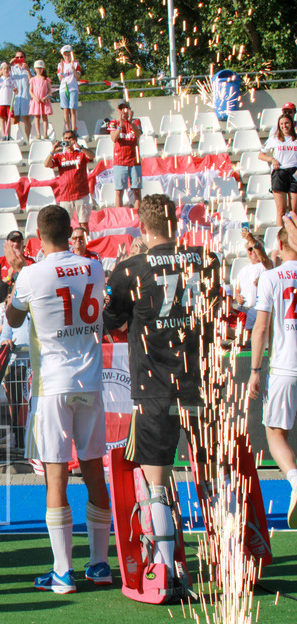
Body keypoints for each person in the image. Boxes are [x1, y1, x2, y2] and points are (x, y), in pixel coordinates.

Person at [103, 194, 220, 594]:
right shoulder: (205, 260)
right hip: (200, 383)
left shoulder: (130, 269)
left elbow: (112, 321)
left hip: (154, 387)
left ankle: (167, 571)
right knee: (212, 478)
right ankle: (229, 558)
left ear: (142, 225)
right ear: (176, 222)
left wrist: (130, 262)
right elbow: (216, 312)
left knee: (156, 486)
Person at [5, 205, 111, 593]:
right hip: (90, 380)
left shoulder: (32, 274)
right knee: (94, 470)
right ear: (70, 232)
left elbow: (13, 319)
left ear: (38, 235)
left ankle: (63, 571)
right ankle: (100, 563)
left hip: (52, 384)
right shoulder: (93, 267)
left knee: (56, 475)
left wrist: (19, 273)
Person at [248, 214, 297, 528]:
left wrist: (255, 370)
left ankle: (295, 480)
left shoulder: (272, 278)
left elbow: (261, 328)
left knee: (275, 433)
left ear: (280, 242)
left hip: (284, 366)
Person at [46, 129, 94, 230]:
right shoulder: (60, 156)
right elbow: (46, 164)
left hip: (81, 195)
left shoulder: (81, 154)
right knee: (64, 225)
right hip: (65, 196)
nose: (68, 140)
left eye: (70, 138)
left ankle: (86, 240)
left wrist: (80, 147)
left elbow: (92, 156)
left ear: (75, 139)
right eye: (66, 138)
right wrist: (53, 150)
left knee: (84, 224)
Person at [257, 113, 297, 230]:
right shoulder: (274, 139)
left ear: (291, 124)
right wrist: (272, 159)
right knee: (281, 210)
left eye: (287, 123)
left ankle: (293, 235)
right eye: (282, 124)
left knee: (294, 211)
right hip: (279, 172)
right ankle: (280, 235)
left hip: (294, 172)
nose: (284, 126)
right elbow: (261, 155)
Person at [109, 102, 143, 211]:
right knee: (119, 191)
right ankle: (119, 215)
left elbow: (138, 135)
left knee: (137, 190)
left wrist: (130, 121)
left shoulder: (136, 122)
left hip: (134, 161)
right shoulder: (114, 123)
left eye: (126, 108)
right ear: (118, 110)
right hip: (119, 161)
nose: (124, 111)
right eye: (121, 109)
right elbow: (114, 138)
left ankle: (137, 214)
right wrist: (120, 125)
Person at [57, 46, 82, 133]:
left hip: (73, 88)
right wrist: (62, 68)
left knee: (72, 109)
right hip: (63, 88)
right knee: (65, 109)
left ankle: (74, 129)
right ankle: (68, 129)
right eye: (65, 54)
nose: (67, 56)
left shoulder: (76, 63)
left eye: (68, 54)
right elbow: (60, 78)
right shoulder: (60, 64)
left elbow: (77, 76)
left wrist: (72, 67)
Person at [10, 51, 32, 141]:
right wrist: (10, 64)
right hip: (15, 98)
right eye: (17, 57)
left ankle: (29, 139)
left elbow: (32, 81)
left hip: (25, 97)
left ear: (24, 58)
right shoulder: (11, 69)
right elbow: (2, 75)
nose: (19, 59)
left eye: (21, 57)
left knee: (27, 119)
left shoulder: (28, 69)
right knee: (15, 120)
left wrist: (28, 70)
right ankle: (15, 140)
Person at [28, 61, 52, 141]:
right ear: (35, 69)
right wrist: (35, 98)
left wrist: (46, 97)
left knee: (44, 116)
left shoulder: (46, 79)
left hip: (44, 100)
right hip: (36, 101)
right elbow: (30, 91)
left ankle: (45, 133)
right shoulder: (33, 79)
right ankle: (38, 134)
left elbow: (50, 90)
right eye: (38, 68)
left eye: (41, 68)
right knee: (37, 117)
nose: (39, 70)